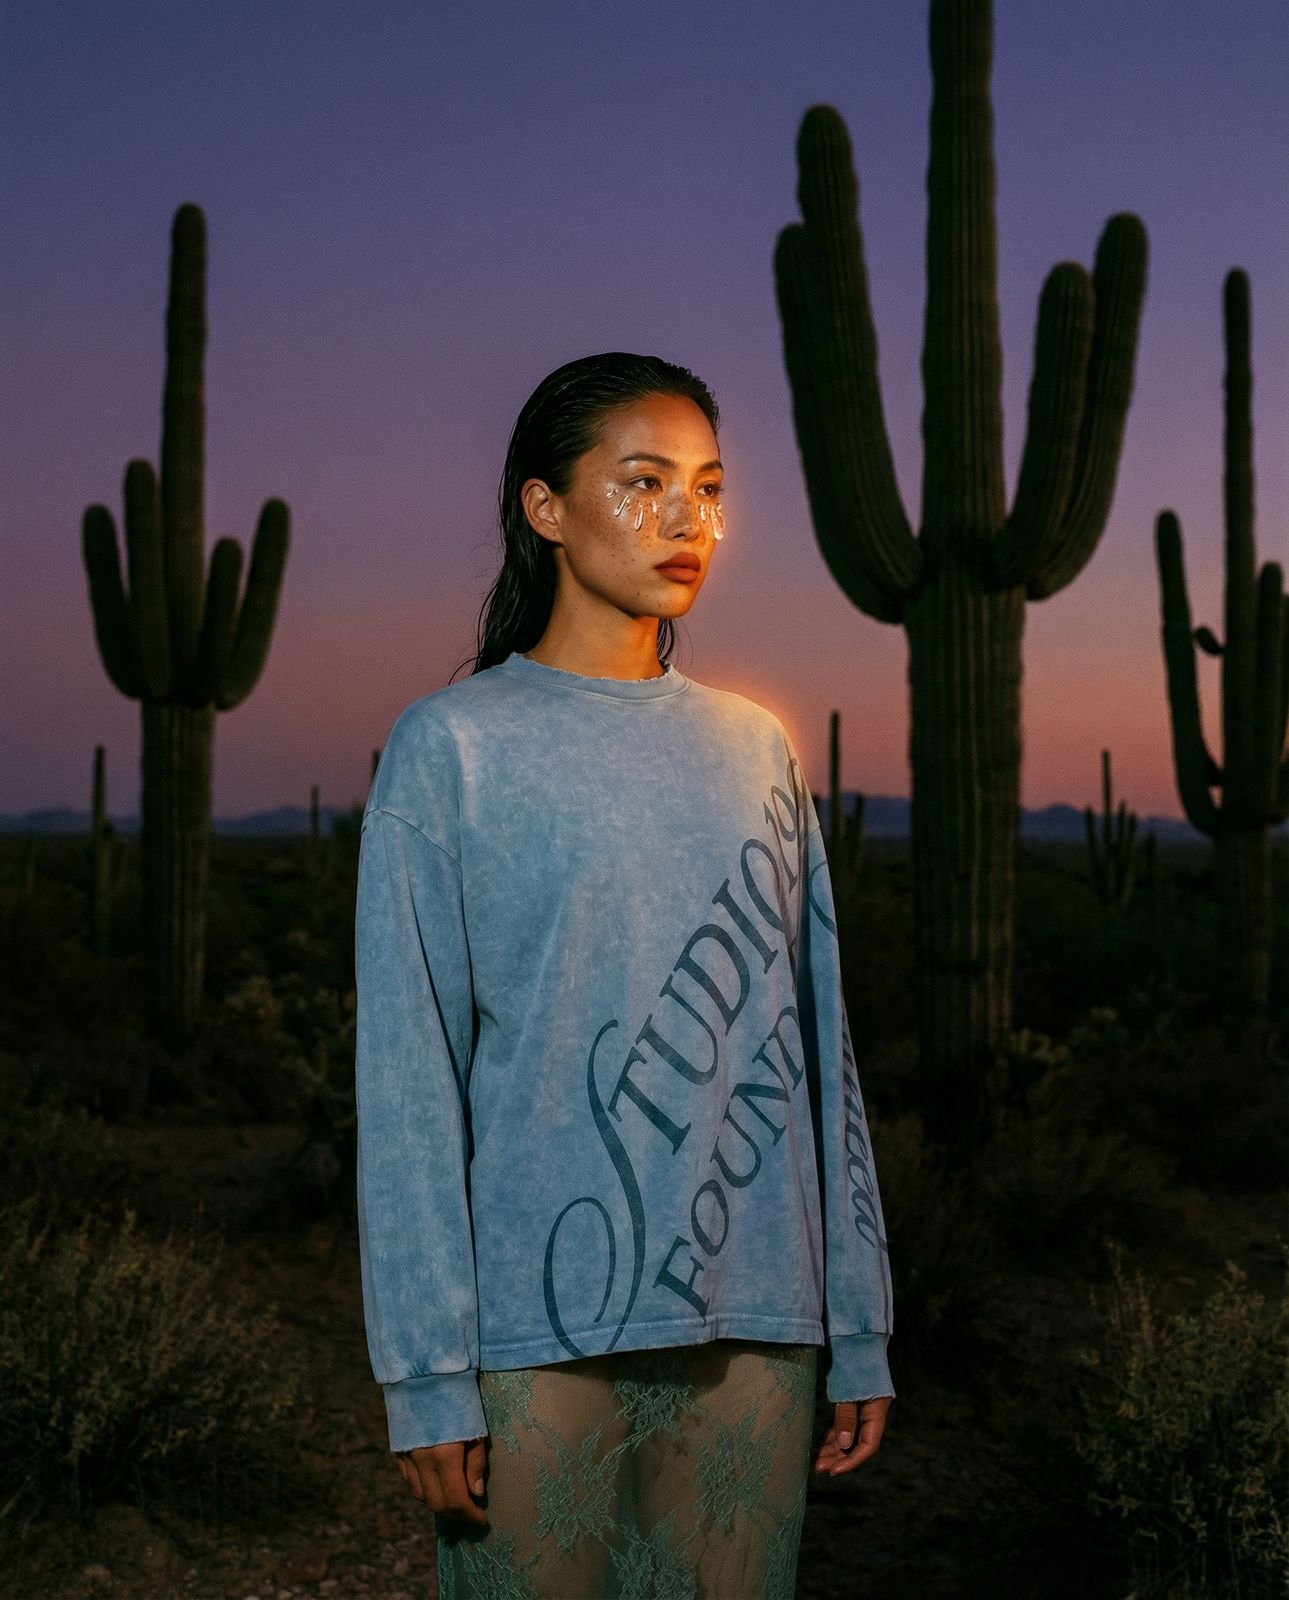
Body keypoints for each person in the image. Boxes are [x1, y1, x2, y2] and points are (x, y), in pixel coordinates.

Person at [354, 352, 895, 1599]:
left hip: (756, 1315)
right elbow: (407, 1088)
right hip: (539, 1326)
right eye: (642, 480)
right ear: (544, 507)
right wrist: (426, 1370)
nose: (684, 519)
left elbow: (821, 1061)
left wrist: (856, 1322)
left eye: (706, 488)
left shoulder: (754, 747)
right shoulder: (451, 751)